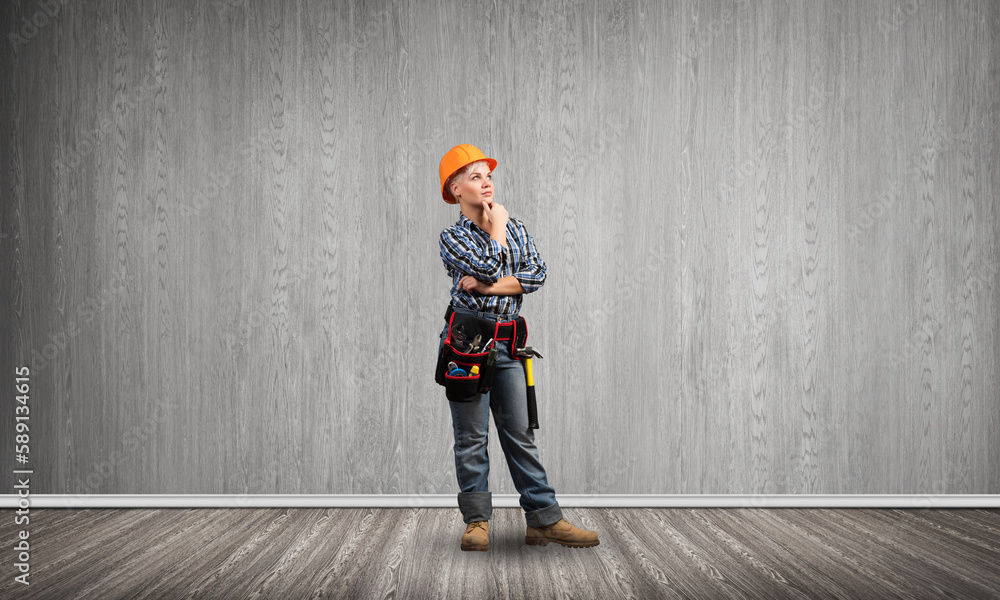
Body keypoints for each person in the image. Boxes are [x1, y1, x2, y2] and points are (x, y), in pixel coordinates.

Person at [436, 144, 599, 552]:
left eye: (487, 175)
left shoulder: (518, 227)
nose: (486, 181)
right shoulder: (452, 237)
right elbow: (493, 264)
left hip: (509, 344)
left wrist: (486, 285)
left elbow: (536, 274)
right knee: (471, 437)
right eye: (475, 177)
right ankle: (477, 522)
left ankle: (544, 519)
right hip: (467, 345)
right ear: (455, 189)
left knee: (520, 433)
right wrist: (497, 230)